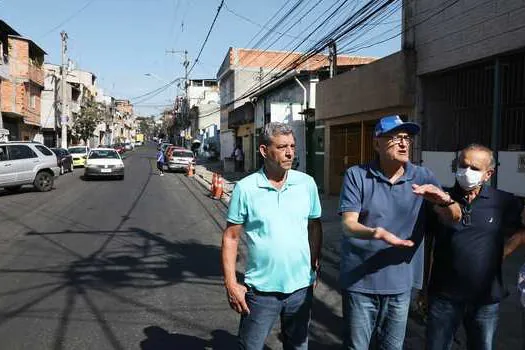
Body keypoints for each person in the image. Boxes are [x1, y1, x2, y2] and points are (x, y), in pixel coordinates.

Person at [338, 115, 461, 350]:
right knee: (357, 347)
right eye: (395, 138)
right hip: (360, 281)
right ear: (377, 143)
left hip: (401, 283)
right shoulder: (357, 175)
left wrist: (444, 200)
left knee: (392, 347)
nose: (404, 144)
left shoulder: (423, 176)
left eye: (407, 138)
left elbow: (453, 217)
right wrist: (378, 233)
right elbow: (348, 224)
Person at [221, 122, 323, 350]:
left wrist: (314, 265)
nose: (289, 152)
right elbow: (231, 237)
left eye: (292, 146)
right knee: (251, 346)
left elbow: (314, 226)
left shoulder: (306, 184)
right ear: (264, 151)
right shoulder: (245, 188)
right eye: (282, 146)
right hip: (260, 291)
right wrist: (230, 283)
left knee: (297, 346)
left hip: (300, 290)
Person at [424, 144, 525, 350]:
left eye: (474, 168)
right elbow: (429, 245)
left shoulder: (502, 201)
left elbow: (523, 229)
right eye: (462, 165)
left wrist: (504, 252)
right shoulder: (441, 200)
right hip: (444, 296)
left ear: (489, 174)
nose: (466, 172)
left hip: (485, 300)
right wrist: (424, 287)